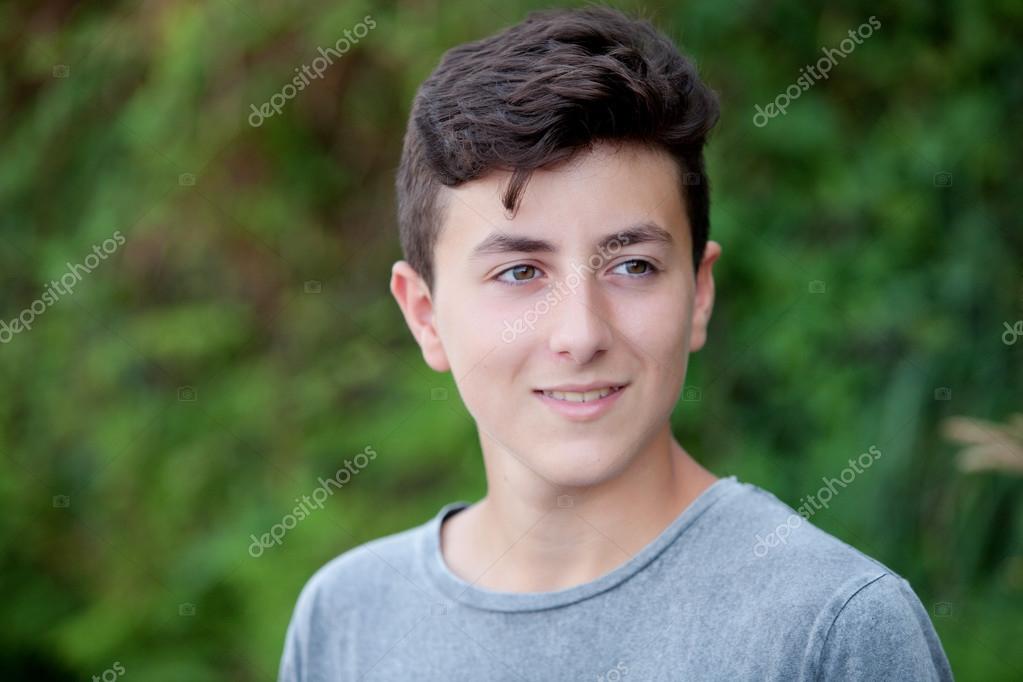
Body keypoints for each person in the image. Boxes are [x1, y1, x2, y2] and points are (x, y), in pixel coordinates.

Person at [278, 6, 954, 680]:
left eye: (631, 265)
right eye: (519, 272)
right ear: (425, 316)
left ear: (698, 293)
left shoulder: (831, 629)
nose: (580, 334)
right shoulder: (346, 619)